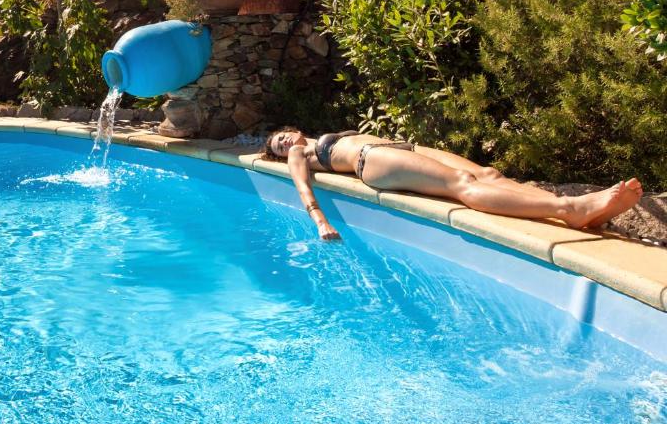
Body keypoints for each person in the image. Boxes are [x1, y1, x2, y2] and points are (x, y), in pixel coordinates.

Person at [263, 127, 643, 241]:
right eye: (277, 148)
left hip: (400, 147)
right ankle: (570, 210)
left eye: (282, 136)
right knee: (462, 184)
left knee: (489, 174)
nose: (283, 144)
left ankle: (570, 208)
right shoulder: (301, 155)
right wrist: (320, 220)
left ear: (293, 128)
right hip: (373, 161)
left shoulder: (315, 136)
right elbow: (303, 188)